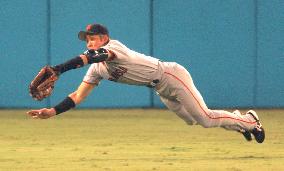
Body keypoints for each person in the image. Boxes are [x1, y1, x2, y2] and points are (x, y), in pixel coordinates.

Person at [27, 23, 265, 143]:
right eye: (87, 39)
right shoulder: (96, 69)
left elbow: (92, 56)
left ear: (104, 38)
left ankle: (250, 120)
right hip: (160, 88)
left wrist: (59, 68)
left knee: (204, 118)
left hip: (172, 75)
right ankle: (240, 122)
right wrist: (53, 111)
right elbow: (77, 96)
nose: (89, 42)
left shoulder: (113, 48)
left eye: (93, 38)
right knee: (193, 120)